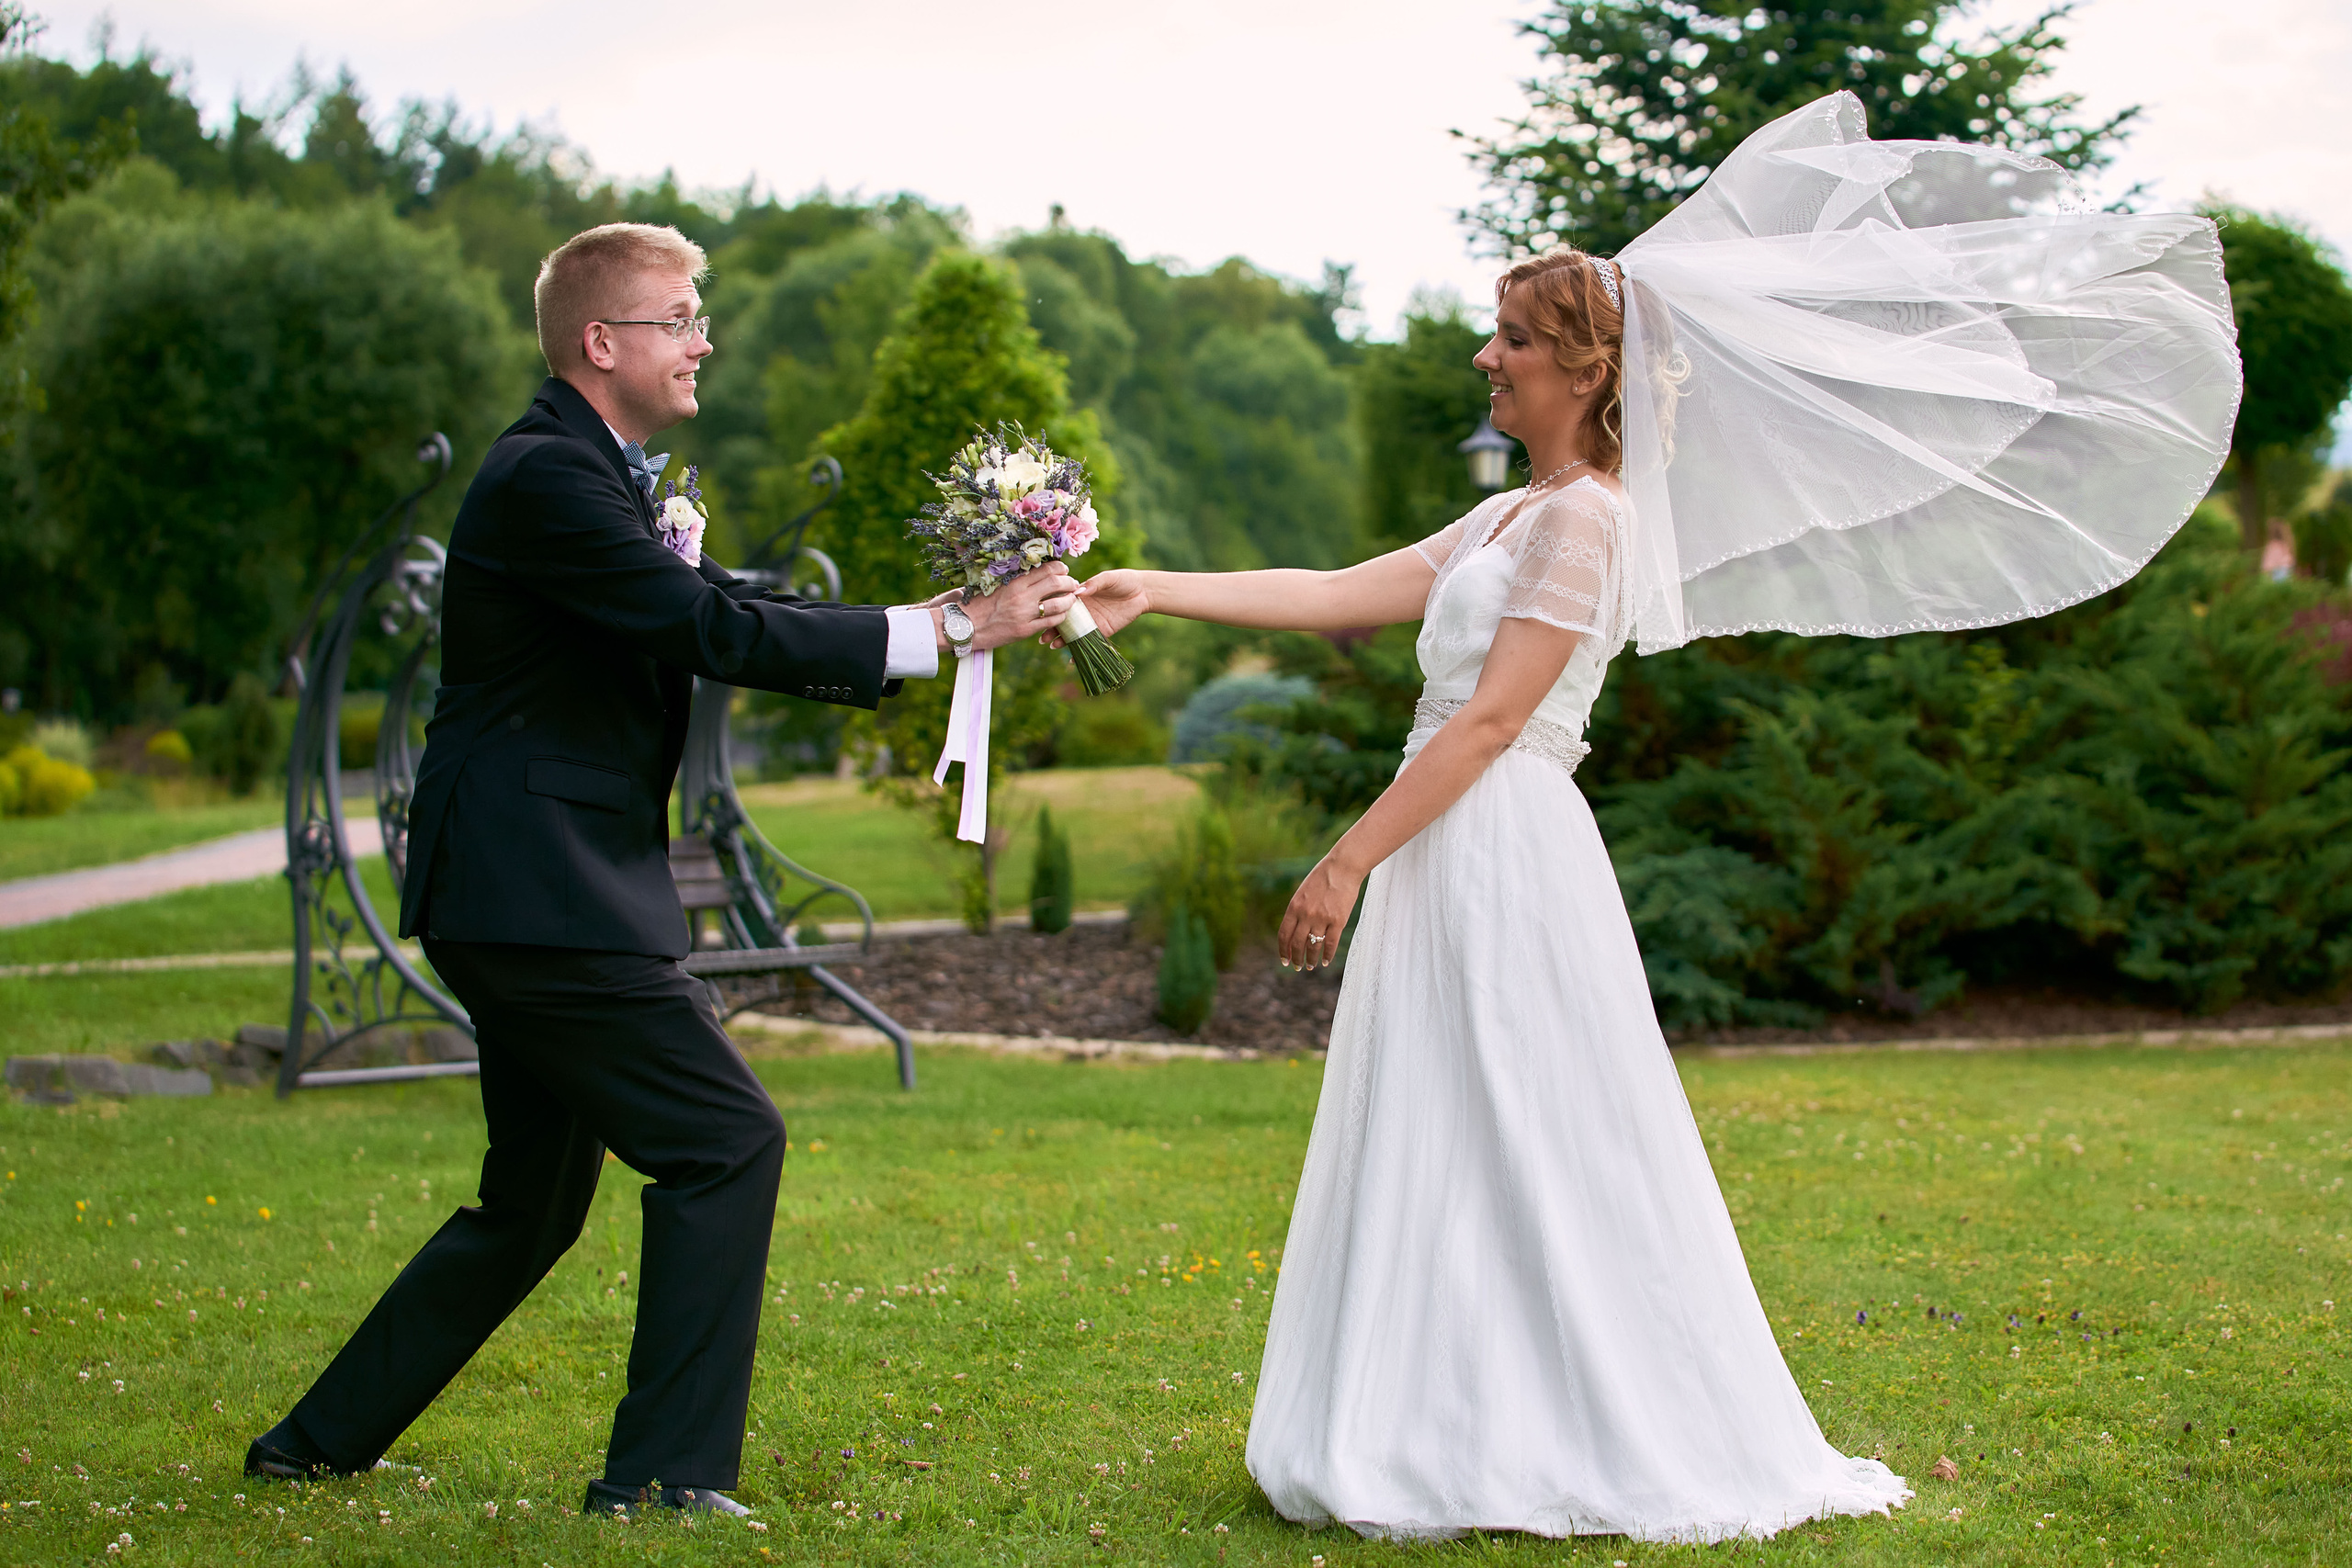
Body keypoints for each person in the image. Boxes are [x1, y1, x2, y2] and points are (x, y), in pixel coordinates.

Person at [1066, 92, 2235, 1542]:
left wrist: (1347, 855)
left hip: (1498, 848)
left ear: (1582, 366)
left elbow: (1494, 722)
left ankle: (1581, 1426)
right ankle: (1435, 1416)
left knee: (1529, 1129)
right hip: (1452, 846)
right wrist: (1154, 583)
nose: (1485, 359)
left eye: (1511, 341)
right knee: (1443, 1127)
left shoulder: (1590, 520)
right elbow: (1339, 591)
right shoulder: (1506, 516)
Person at [243, 222, 1073, 1518]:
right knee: (726, 1141)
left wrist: (956, 613)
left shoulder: (598, 476)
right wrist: (956, 629)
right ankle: (666, 1480)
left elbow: (734, 598)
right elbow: (705, 627)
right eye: (680, 319)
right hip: (542, 892)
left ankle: (314, 1443)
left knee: (529, 1206)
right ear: (602, 341)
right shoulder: (542, 480)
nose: (702, 341)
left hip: (534, 886)